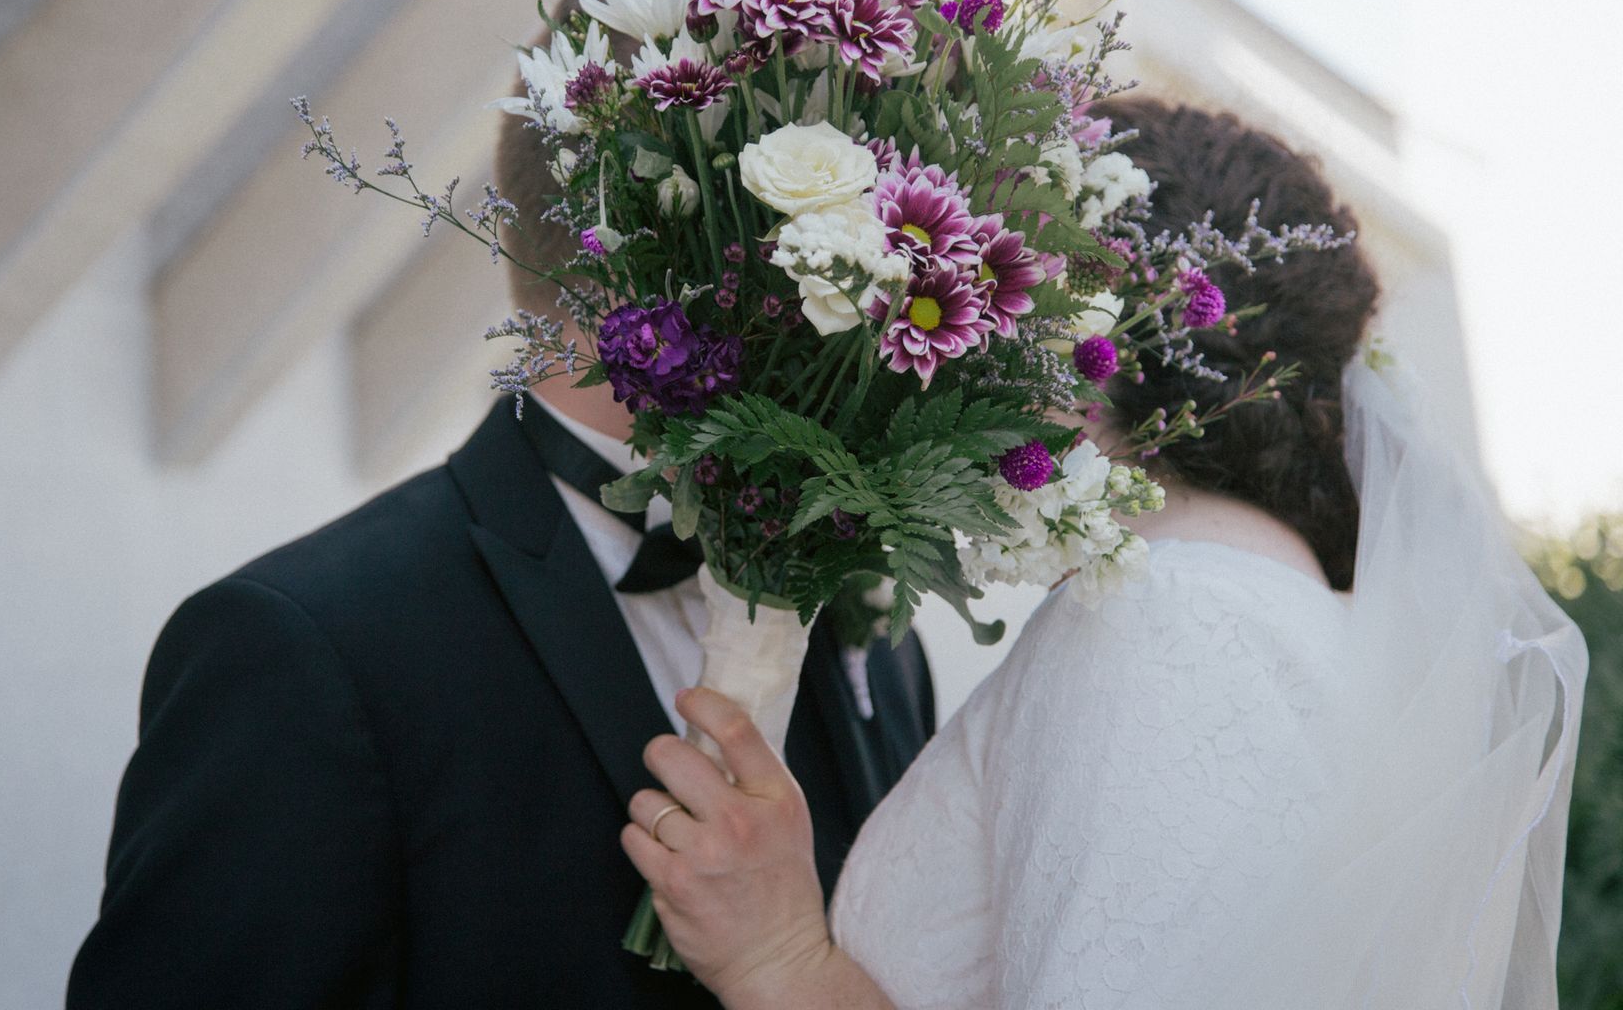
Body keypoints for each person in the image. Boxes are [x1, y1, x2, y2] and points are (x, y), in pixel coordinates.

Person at [65, 0, 938, 1009]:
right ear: (695, 253)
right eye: (848, 234)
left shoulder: (868, 619)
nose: (886, 289)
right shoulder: (305, 652)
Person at [619, 101, 1587, 1009]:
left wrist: (778, 957)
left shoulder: (1171, 626)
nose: (960, 339)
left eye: (1001, 293)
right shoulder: (1259, 610)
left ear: (1088, 332)